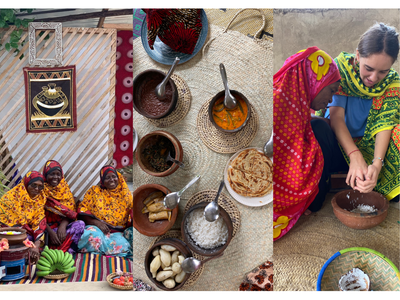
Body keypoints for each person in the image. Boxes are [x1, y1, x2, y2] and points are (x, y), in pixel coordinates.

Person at [309, 23, 400, 212]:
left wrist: (376, 164)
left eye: (383, 71)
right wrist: (354, 155)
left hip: (371, 148)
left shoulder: (392, 83)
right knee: (317, 126)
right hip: (338, 146)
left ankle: (384, 185)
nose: (374, 78)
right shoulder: (340, 71)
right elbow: (336, 119)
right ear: (357, 56)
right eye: (369, 68)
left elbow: (385, 124)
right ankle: (318, 193)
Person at [273, 47, 341, 241]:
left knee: (319, 125)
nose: (330, 100)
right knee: (319, 126)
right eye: (331, 91)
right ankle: (307, 201)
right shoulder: (277, 101)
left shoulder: (294, 101)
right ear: (314, 80)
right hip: (276, 192)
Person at [77, 165, 133, 258]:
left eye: (114, 176)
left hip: (118, 233)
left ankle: (100, 251)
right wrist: (96, 222)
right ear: (102, 180)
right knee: (91, 235)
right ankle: (107, 251)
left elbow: (133, 214)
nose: (111, 180)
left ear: (118, 177)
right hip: (98, 229)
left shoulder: (125, 194)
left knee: (124, 242)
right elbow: (82, 210)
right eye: (107, 177)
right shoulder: (94, 192)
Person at [0, 171, 47, 262]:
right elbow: (8, 226)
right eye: (34, 185)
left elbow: (39, 221)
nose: (37, 189)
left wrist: (36, 245)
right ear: (26, 184)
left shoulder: (40, 199)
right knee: (26, 240)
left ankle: (31, 254)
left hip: (26, 231)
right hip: (9, 234)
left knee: (39, 237)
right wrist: (29, 244)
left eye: (40, 186)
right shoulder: (10, 198)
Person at [42, 160, 85, 253]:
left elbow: (71, 213)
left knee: (80, 225)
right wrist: (50, 232)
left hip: (61, 229)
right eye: (52, 174)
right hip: (45, 229)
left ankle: (64, 252)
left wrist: (63, 225)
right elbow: (36, 216)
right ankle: (53, 252)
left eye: (58, 174)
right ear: (45, 175)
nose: (55, 177)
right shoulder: (40, 190)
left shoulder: (64, 189)